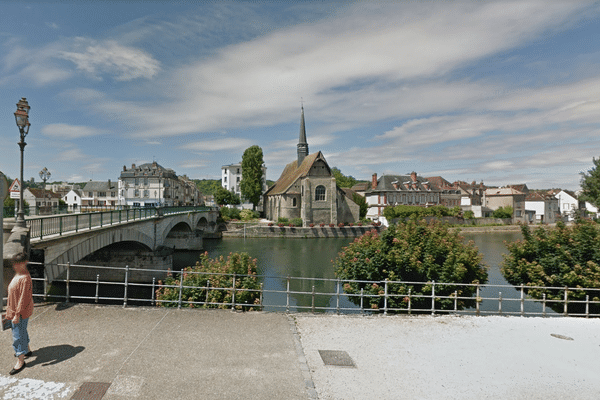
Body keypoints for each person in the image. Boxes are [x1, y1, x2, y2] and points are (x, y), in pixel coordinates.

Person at [5, 252, 33, 375]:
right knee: (22, 330)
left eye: (18, 264)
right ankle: (27, 350)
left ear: (25, 263)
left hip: (20, 311)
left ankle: (20, 360)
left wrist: (16, 314)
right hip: (17, 309)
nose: (15, 266)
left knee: (17, 335)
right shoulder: (20, 274)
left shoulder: (25, 278)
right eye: (14, 264)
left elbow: (23, 298)